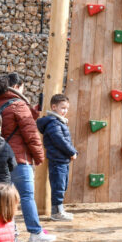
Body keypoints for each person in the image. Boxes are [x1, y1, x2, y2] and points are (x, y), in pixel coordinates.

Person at [0, 73, 55, 242]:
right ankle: (35, 232)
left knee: (5, 198)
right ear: (17, 87)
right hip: (19, 159)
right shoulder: (18, 104)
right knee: (26, 196)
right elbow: (31, 134)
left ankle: (9, 234)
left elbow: (13, 123)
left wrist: (32, 112)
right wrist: (39, 156)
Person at [36, 93, 77, 221]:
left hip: (62, 159)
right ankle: (56, 212)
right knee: (58, 185)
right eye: (62, 108)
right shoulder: (53, 123)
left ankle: (60, 210)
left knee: (62, 185)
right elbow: (60, 141)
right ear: (54, 107)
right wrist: (72, 152)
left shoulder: (59, 122)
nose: (65, 111)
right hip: (57, 160)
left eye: (66, 108)